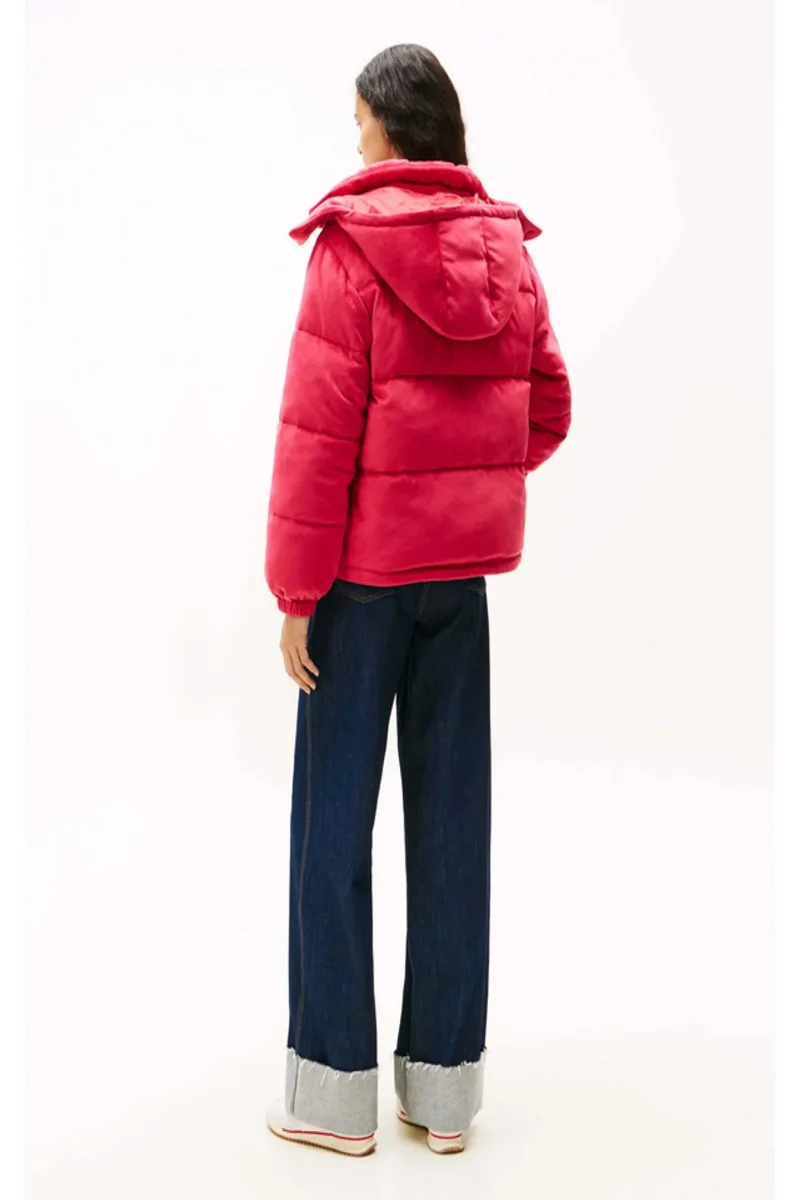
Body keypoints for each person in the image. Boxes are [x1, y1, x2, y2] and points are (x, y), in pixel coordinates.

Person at [265, 44, 571, 1157]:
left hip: (359, 588)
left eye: (359, 122)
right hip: (457, 590)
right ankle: (443, 1099)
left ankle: (333, 1095)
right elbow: (547, 406)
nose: (354, 143)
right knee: (451, 827)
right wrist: (461, 495)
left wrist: (296, 593)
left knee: (330, 829)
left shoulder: (348, 248)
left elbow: (316, 441)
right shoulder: (504, 250)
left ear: (391, 127)